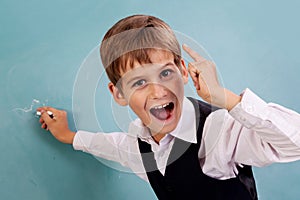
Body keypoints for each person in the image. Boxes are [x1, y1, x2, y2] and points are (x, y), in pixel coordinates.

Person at [37, 15, 300, 200]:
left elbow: (295, 143)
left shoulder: (217, 132)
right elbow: (112, 146)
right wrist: (69, 136)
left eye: (165, 73)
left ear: (183, 70)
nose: (157, 90)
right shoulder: (137, 144)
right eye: (139, 81)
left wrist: (226, 98)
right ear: (118, 93)